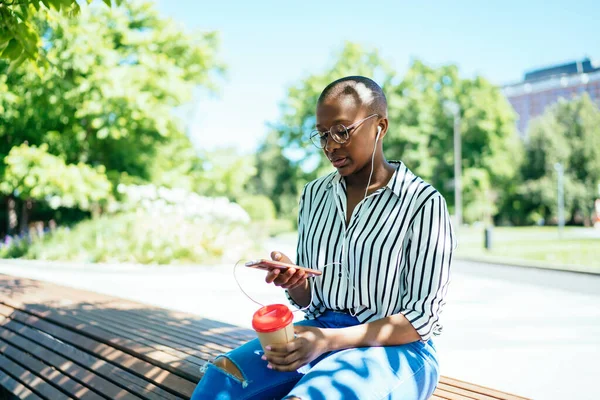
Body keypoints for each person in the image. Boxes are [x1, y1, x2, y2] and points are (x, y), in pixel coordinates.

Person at [191, 76, 456, 400]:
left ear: (380, 126)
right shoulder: (314, 195)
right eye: (323, 135)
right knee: (222, 377)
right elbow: (310, 301)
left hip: (398, 350)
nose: (330, 145)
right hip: (320, 330)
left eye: (342, 131)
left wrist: (327, 342)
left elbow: (419, 320)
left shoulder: (423, 203)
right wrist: (296, 282)